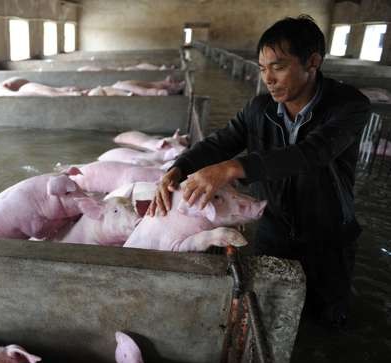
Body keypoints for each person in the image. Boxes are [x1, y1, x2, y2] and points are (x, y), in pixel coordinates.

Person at [148, 15, 371, 328]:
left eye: (278, 66)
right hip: (273, 226)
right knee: (268, 315)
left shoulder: (349, 106)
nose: (268, 78)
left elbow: (313, 153)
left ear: (313, 62)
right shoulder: (259, 109)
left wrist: (231, 169)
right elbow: (220, 142)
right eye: (263, 68)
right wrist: (178, 167)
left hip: (328, 230)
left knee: (328, 317)